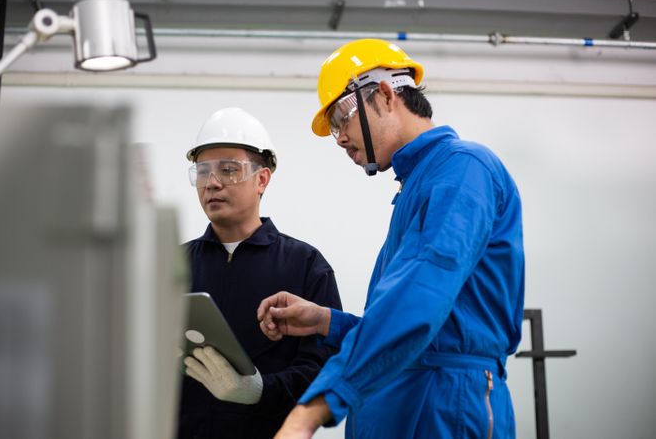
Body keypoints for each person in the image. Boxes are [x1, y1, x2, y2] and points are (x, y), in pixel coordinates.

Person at [257, 39, 525, 438]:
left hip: (445, 408)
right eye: (333, 128)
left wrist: (310, 411)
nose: (340, 139)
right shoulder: (417, 189)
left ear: (384, 94)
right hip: (411, 403)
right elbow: (409, 333)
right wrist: (324, 321)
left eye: (342, 117)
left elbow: (416, 308)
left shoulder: (463, 170)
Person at [179, 107, 343, 439]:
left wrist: (261, 390)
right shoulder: (175, 264)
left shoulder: (305, 265)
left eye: (228, 170)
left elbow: (327, 370)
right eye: (202, 171)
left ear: (262, 179)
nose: (212, 183)